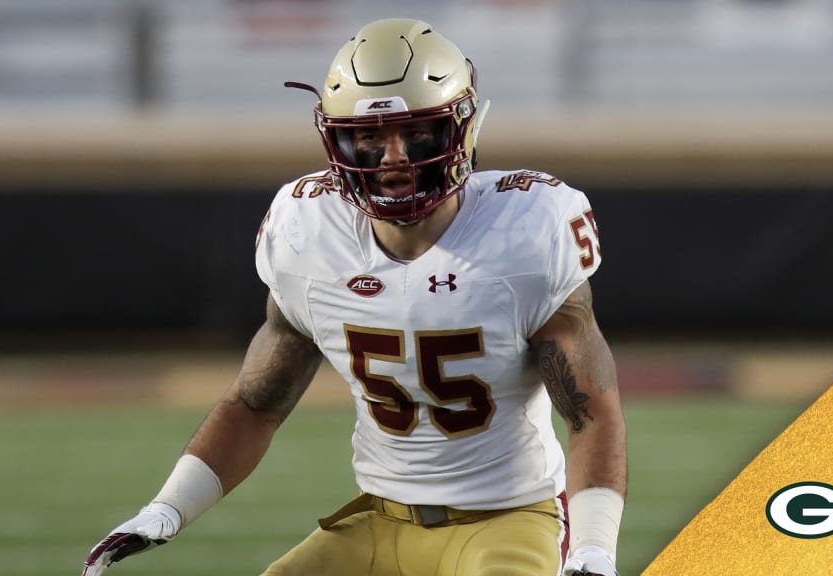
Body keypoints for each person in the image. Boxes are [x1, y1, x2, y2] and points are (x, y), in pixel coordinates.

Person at [82, 17, 627, 576]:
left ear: (460, 130)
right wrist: (165, 510)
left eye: (417, 133)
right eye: (368, 137)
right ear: (336, 139)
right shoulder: (310, 236)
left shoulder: (525, 233)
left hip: (510, 517)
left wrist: (591, 554)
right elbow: (254, 405)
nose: (394, 157)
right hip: (380, 518)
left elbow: (590, 414)